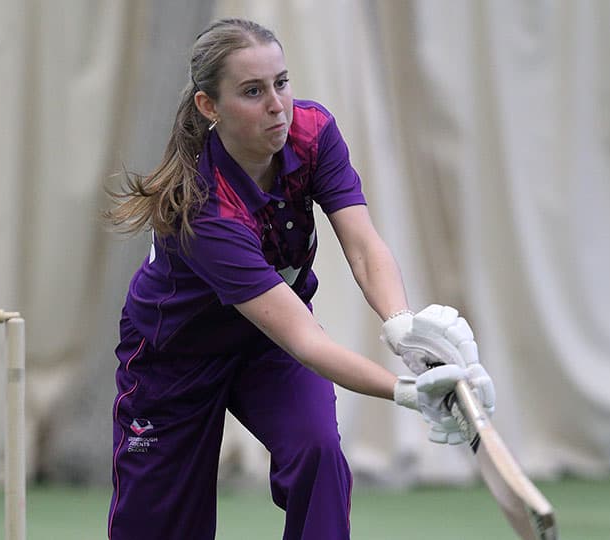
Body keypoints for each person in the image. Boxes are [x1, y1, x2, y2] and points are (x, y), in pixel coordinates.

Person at [103, 18, 495, 540]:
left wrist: (403, 326)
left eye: (281, 83)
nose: (277, 105)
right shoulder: (205, 209)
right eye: (252, 91)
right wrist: (410, 391)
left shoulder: (312, 133)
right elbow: (305, 340)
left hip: (268, 349)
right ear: (209, 107)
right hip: (175, 358)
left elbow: (363, 246)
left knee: (318, 452)